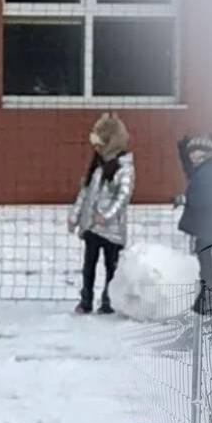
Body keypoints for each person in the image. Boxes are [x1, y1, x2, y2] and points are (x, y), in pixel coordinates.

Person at [69, 113, 134, 314]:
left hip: (111, 228)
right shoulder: (96, 165)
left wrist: (106, 215)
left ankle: (109, 301)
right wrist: (75, 216)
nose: (96, 147)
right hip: (91, 226)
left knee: (110, 267)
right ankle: (86, 300)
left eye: (101, 142)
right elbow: (85, 192)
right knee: (88, 265)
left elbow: (123, 196)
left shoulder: (124, 167)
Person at [176, 135, 212, 316]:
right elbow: (192, 174)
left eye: (196, 151)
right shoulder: (210, 168)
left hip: (207, 224)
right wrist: (182, 152)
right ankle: (205, 302)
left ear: (206, 152)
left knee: (205, 265)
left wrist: (185, 199)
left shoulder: (208, 171)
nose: (192, 155)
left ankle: (208, 304)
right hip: (209, 223)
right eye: (190, 152)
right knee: (204, 263)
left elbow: (203, 197)